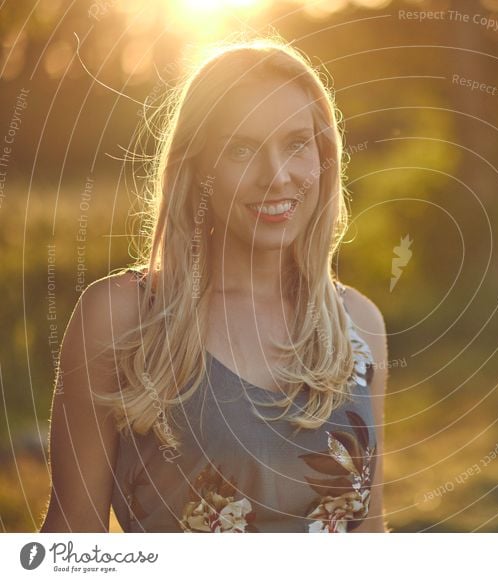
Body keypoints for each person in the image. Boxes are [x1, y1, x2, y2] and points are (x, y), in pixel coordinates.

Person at [39, 37, 388, 533]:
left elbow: (370, 534)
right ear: (196, 166)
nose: (277, 176)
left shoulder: (359, 325)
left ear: (324, 156)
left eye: (296, 144)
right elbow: (72, 536)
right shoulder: (121, 317)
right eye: (241, 149)